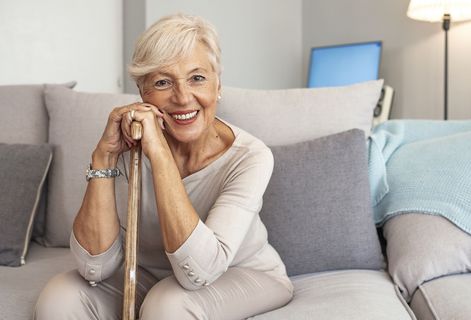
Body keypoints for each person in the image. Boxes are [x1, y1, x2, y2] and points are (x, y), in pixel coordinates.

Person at [34, 13, 293, 320]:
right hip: (149, 276)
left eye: (197, 78)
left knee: (167, 305)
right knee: (59, 297)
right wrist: (104, 156)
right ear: (143, 94)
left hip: (241, 274)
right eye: (163, 82)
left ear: (217, 84)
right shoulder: (126, 147)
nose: (183, 97)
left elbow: (198, 272)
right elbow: (95, 267)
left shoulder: (250, 156)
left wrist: (159, 154)